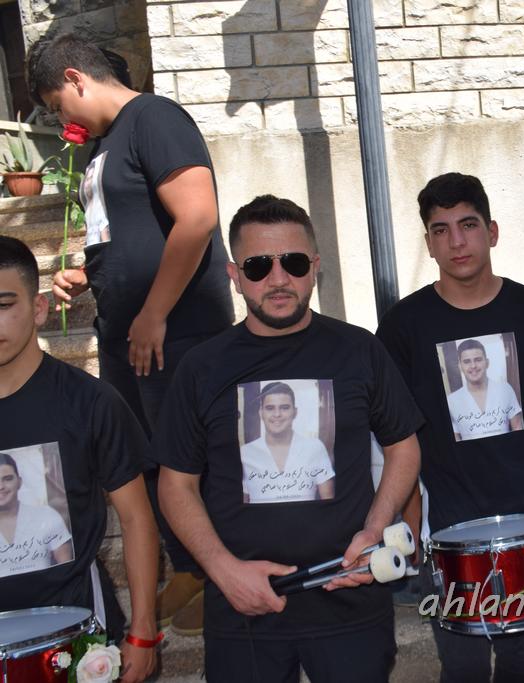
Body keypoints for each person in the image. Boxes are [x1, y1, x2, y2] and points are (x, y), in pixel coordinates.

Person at [154, 196, 423, 682]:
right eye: (259, 266)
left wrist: (376, 528)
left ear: (314, 267)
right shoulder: (201, 367)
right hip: (242, 607)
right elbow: (175, 484)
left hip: (349, 596)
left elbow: (403, 447)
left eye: (294, 263)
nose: (278, 279)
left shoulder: (359, 349)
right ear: (235, 276)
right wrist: (222, 570)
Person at [27, 33, 236, 632]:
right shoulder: (106, 143)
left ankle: (222, 576)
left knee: (191, 459)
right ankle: (191, 568)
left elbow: (196, 216)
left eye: (56, 106)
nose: (62, 121)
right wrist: (88, 274)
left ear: (75, 78)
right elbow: (127, 231)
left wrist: (155, 312)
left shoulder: (154, 118)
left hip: (176, 330)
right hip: (128, 334)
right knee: (150, 457)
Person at [376, 172, 524, 683]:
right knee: (462, 660)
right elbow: (398, 436)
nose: (456, 241)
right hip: (446, 520)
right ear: (428, 243)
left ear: (492, 231)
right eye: (440, 230)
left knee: (519, 652)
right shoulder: (403, 325)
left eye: (467, 225)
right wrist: (413, 518)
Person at [0, 236, 159, 682]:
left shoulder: (90, 402)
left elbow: (136, 519)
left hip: (76, 637)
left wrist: (144, 630)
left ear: (39, 309)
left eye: (4, 305)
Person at [240, 381, 336, 504]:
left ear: (295, 412)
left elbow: (328, 503)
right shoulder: (245, 453)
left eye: (284, 407)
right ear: (261, 413)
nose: (277, 414)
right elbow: (241, 506)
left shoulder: (315, 448)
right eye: (270, 408)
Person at [0, 452, 73, 574]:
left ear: (19, 482)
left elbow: (67, 570)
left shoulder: (47, 516)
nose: (1, 486)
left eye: (7, 479)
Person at [446, 338, 524, 440]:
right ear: (460, 366)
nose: (473, 366)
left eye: (478, 360)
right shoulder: (451, 401)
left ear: (487, 362)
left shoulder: (505, 390)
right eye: (467, 361)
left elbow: (517, 427)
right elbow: (455, 439)